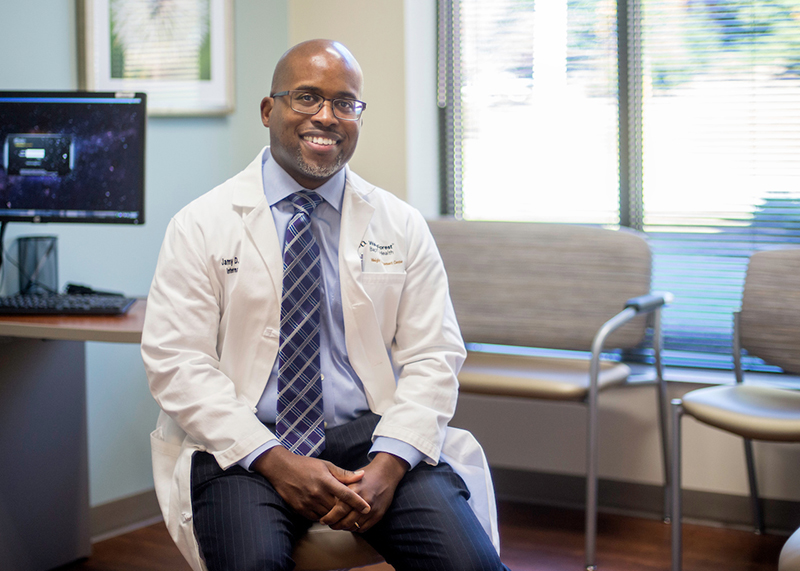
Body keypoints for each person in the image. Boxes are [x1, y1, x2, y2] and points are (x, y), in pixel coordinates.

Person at [141, 39, 508, 571]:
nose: (327, 117)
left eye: (345, 103)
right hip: (245, 447)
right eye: (307, 98)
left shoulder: (398, 224)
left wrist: (391, 461)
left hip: (373, 438)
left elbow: (435, 355)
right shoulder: (201, 224)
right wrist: (276, 460)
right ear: (269, 110)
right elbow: (178, 363)